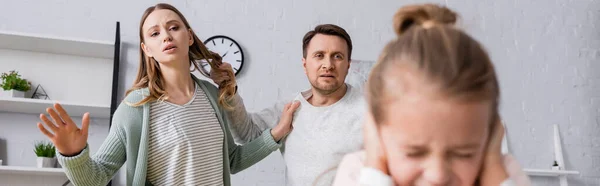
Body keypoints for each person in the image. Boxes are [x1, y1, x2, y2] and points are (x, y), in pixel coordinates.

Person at [35, 3, 299, 186]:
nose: (166, 36)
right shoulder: (135, 108)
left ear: (190, 36)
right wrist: (73, 155)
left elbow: (232, 160)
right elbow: (96, 178)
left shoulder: (209, 95)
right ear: (146, 48)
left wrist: (276, 133)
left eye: (174, 27)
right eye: (154, 33)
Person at [331, 4, 532, 186]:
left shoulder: (502, 172)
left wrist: (494, 173)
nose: (438, 176)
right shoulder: (359, 172)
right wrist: (375, 166)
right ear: (376, 134)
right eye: (414, 152)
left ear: (490, 137)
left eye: (463, 154)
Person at [211, 24, 365, 186]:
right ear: (305, 65)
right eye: (319, 55)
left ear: (348, 65)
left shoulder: (371, 111)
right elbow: (246, 135)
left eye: (337, 56)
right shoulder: (290, 109)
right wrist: (228, 89)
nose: (328, 64)